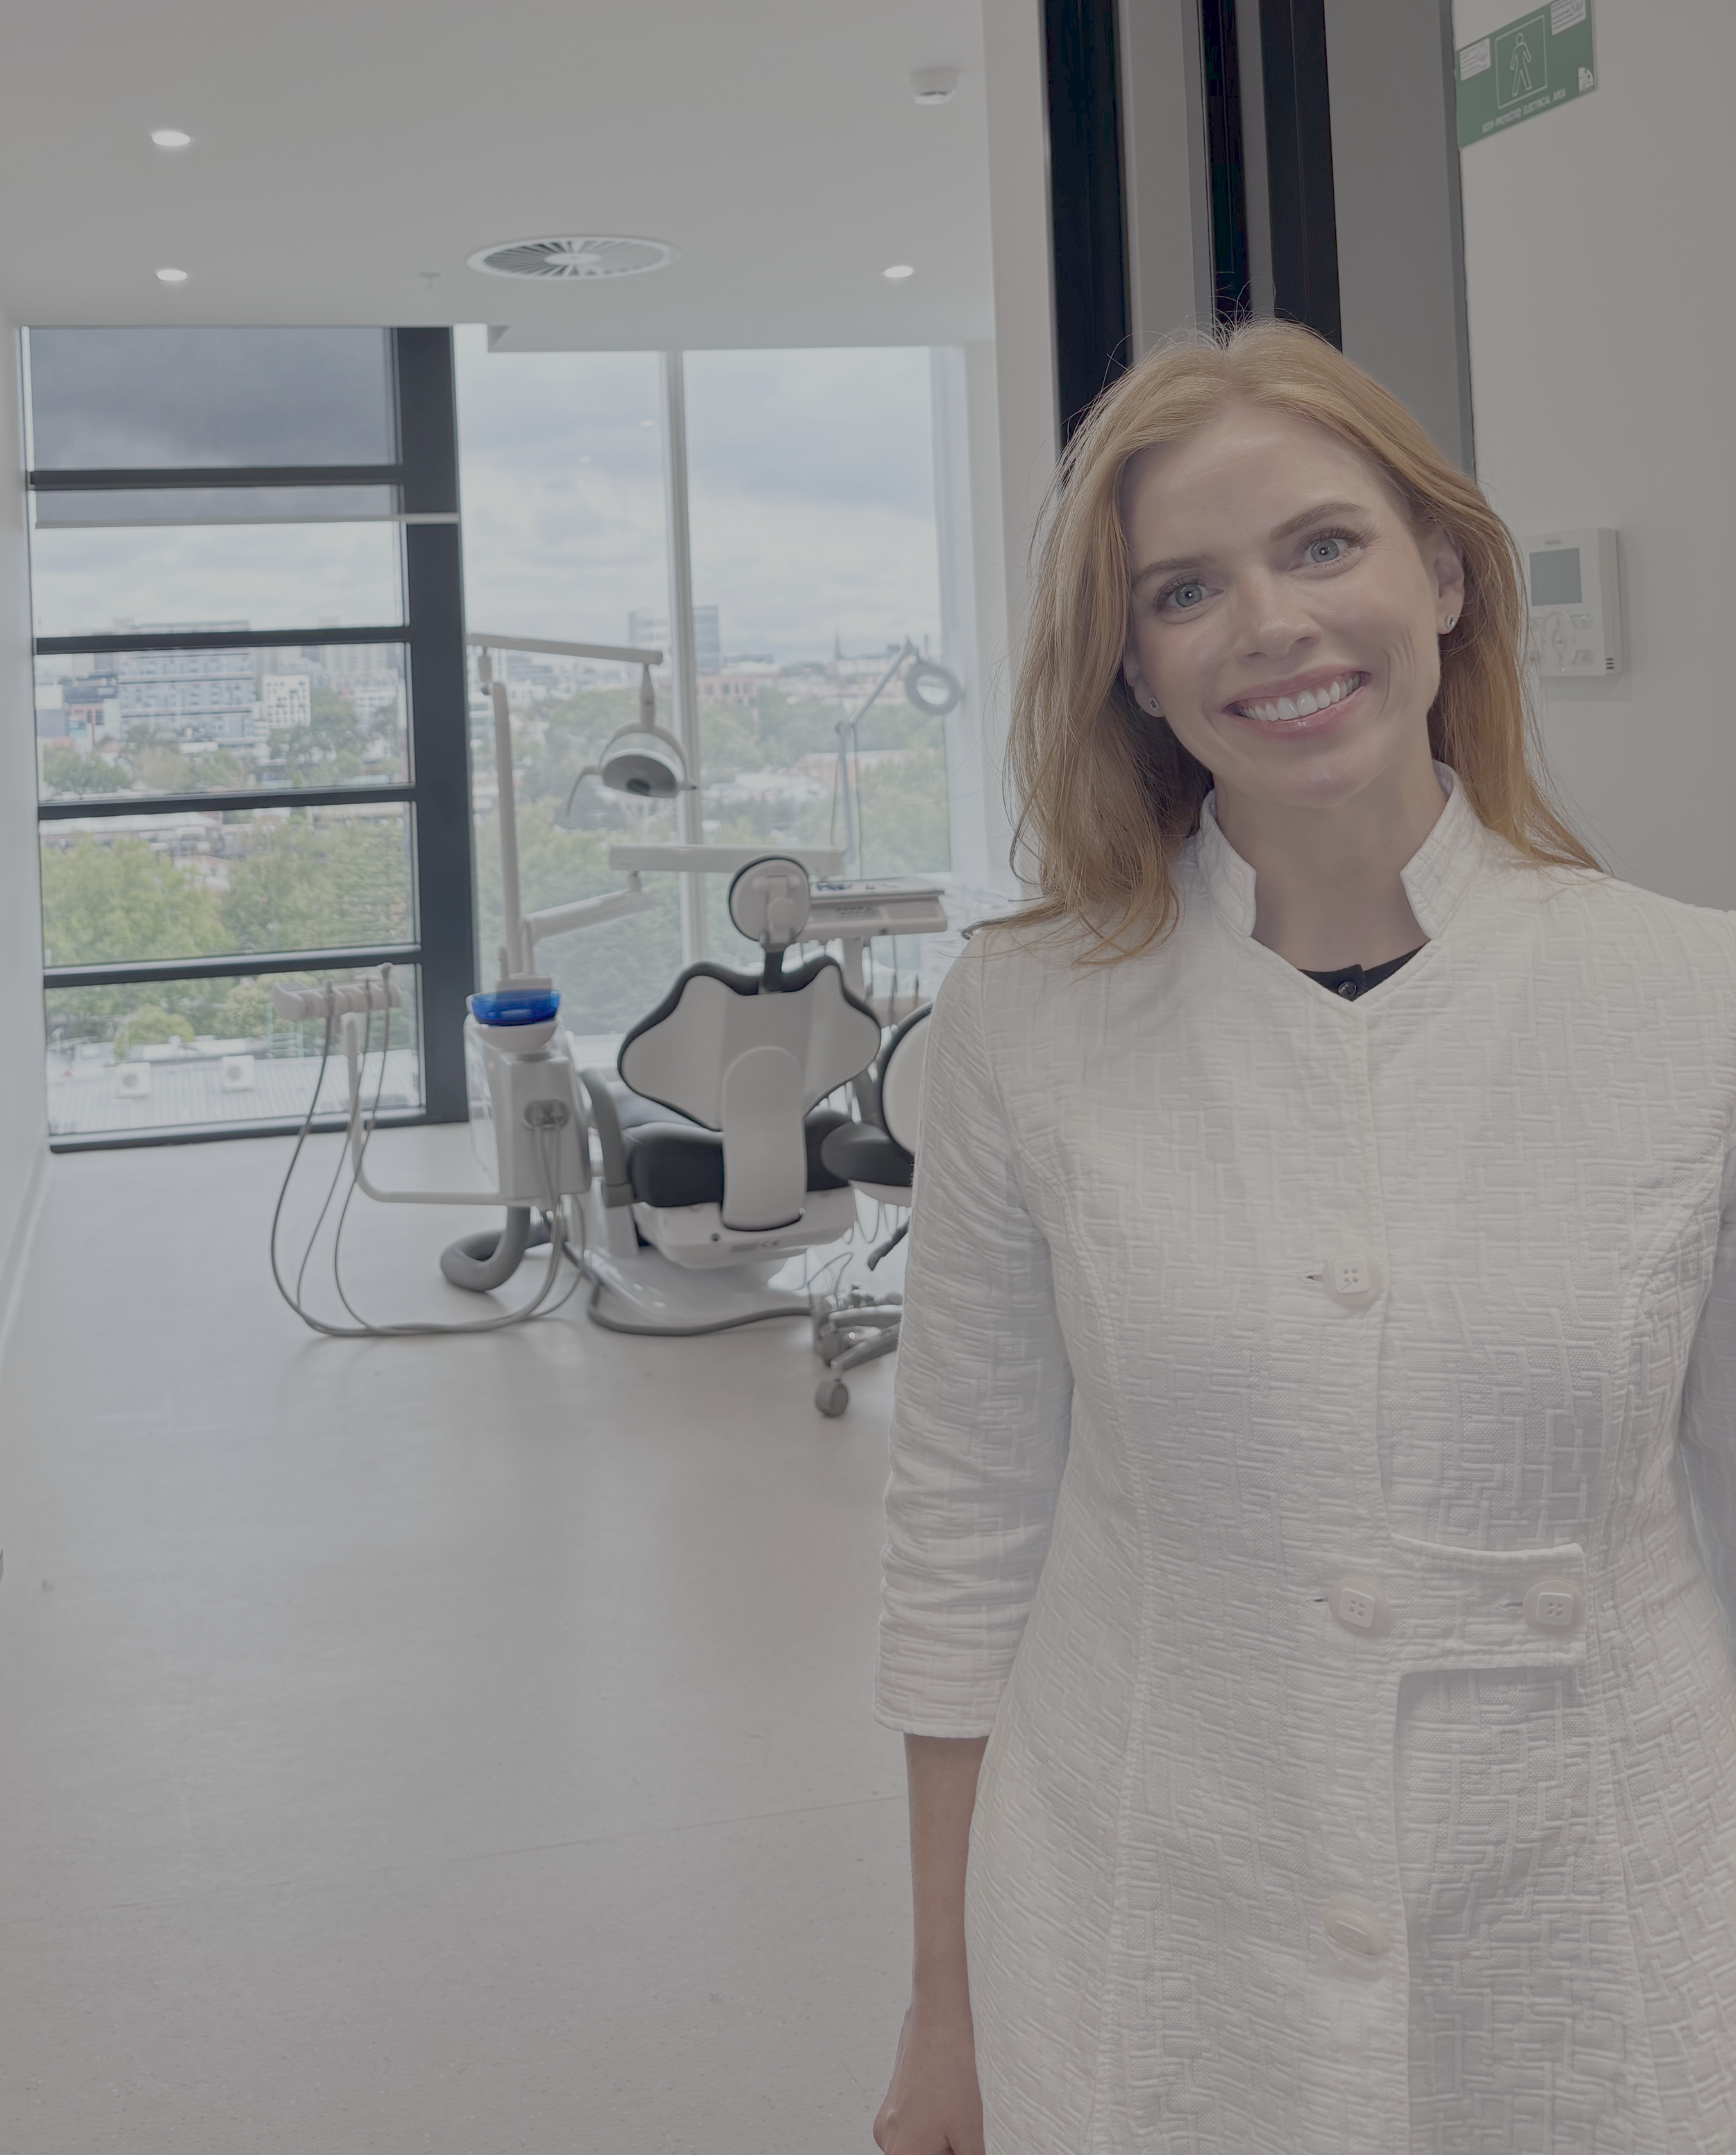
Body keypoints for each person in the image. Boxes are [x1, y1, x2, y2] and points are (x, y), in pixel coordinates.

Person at [871, 320, 1736, 2154]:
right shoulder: (1024, 1018)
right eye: (1184, 587)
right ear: (1126, 660)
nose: (1267, 623)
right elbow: (964, 1534)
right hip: (1156, 1928)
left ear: (1439, 573)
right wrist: (942, 2007)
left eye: (1321, 545)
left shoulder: (1692, 1000)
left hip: (1599, 1913)